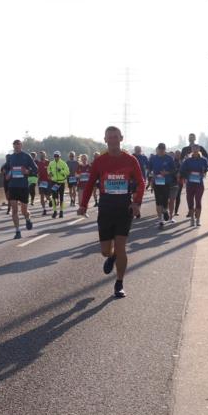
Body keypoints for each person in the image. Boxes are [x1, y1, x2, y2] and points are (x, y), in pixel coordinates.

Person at [77, 126, 145, 299]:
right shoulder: (100, 161)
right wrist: (83, 205)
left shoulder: (130, 160)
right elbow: (91, 183)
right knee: (105, 251)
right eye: (110, 137)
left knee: (121, 247)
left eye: (116, 137)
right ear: (105, 140)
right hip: (106, 208)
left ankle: (119, 283)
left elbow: (141, 182)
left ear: (121, 138)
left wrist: (136, 202)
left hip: (124, 208)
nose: (113, 140)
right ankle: (111, 256)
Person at [2, 139, 35, 239]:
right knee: (14, 210)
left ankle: (28, 218)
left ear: (21, 145)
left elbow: (35, 168)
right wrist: (7, 174)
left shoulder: (26, 156)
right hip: (12, 186)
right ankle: (17, 231)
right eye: (15, 145)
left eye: (18, 144)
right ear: (13, 146)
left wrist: (27, 171)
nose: (16, 146)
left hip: (23, 186)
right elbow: (5, 168)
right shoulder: (11, 157)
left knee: (24, 211)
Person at [181, 148, 208, 226]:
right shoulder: (187, 161)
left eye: (196, 149)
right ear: (192, 150)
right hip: (190, 184)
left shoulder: (203, 160)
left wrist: (203, 172)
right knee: (190, 202)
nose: (195, 151)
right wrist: (187, 174)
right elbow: (182, 170)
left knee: (198, 201)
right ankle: (192, 219)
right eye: (193, 149)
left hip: (199, 184)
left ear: (198, 150)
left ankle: (198, 219)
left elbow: (207, 169)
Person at [149, 143, 176, 228]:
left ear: (165, 149)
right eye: (160, 149)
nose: (161, 151)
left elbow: (174, 170)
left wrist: (167, 172)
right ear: (157, 149)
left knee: (165, 199)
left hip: (166, 182)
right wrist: (151, 176)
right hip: (157, 181)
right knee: (158, 200)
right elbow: (149, 170)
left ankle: (165, 210)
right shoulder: (153, 158)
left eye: (163, 149)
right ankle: (160, 219)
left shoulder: (169, 158)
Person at [47, 150, 71, 218]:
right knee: (54, 197)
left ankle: (61, 211)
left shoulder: (63, 163)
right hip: (54, 182)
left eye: (57, 156)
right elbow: (49, 169)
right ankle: (55, 211)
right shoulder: (51, 163)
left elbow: (67, 172)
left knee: (61, 198)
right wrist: (49, 173)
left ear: (60, 156)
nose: (56, 157)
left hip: (61, 182)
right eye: (55, 156)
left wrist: (61, 170)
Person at [36, 151, 51, 215]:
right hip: (41, 182)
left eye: (43, 155)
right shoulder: (38, 163)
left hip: (48, 181)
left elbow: (52, 170)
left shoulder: (49, 163)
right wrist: (37, 175)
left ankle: (50, 200)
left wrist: (51, 175)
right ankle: (44, 209)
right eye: (40, 155)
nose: (41, 156)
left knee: (47, 196)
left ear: (45, 155)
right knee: (42, 196)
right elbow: (37, 172)